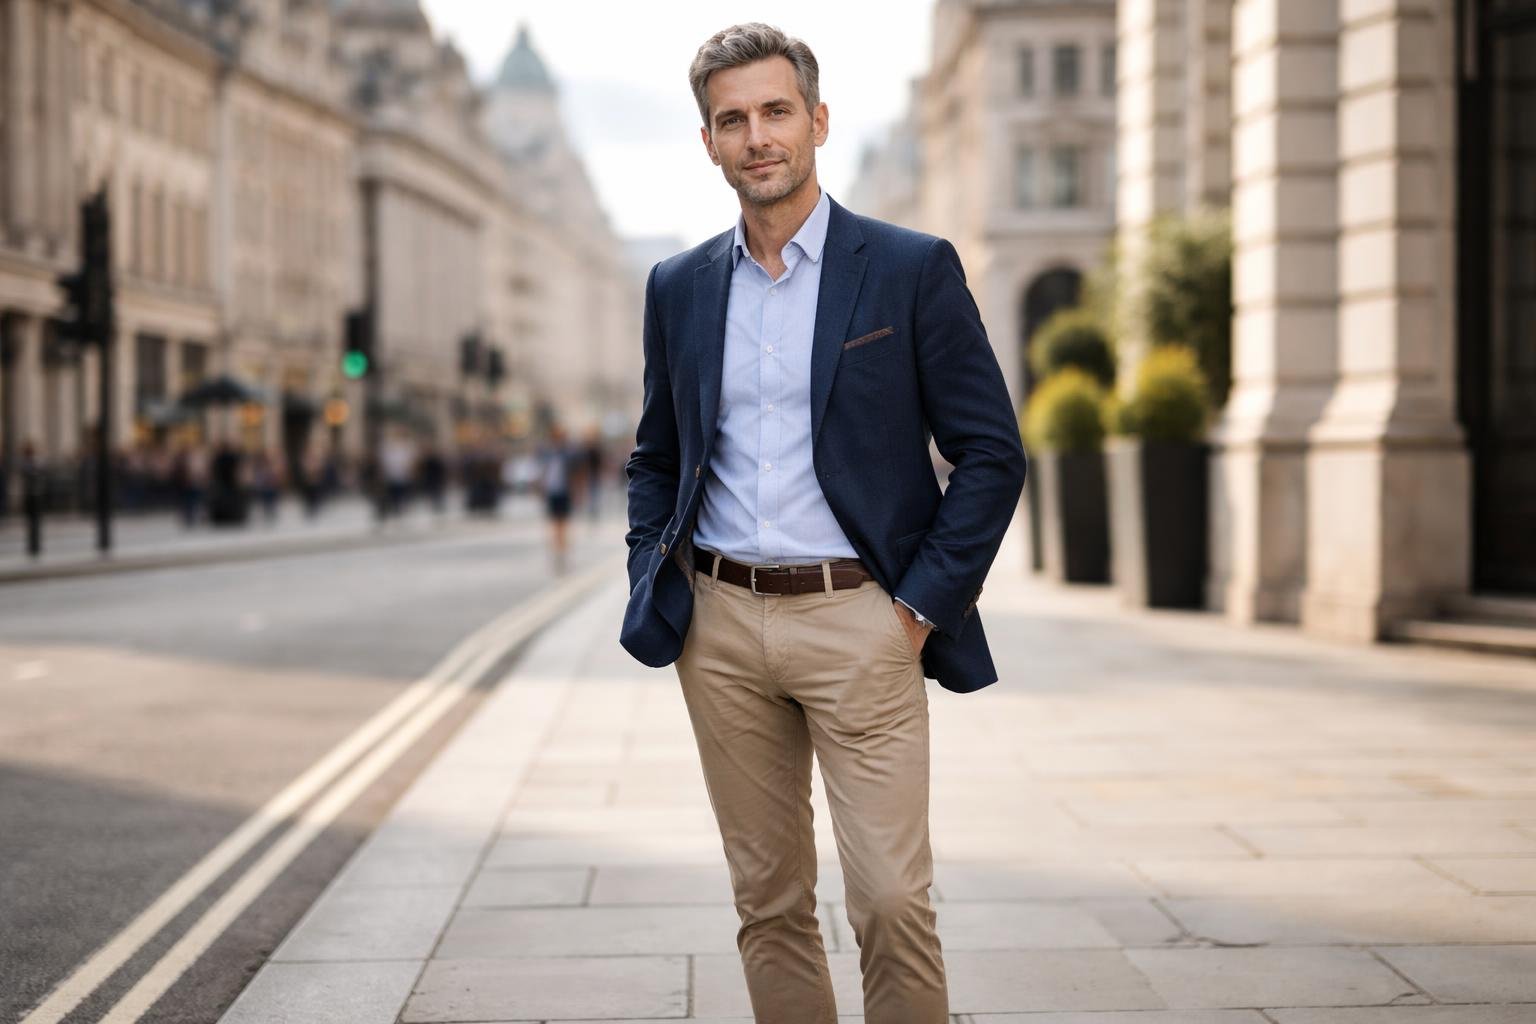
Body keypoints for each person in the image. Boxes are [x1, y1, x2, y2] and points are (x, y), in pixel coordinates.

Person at [620, 24, 1027, 1023]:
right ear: (709, 140)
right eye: (733, 120)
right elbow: (656, 455)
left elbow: (993, 453)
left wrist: (919, 608)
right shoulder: (677, 287)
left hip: (863, 620)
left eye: (775, 112)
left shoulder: (906, 268)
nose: (757, 137)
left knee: (891, 899)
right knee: (768, 905)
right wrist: (654, 573)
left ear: (817, 121)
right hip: (719, 626)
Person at [536, 423, 579, 573]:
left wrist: (576, 492)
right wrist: (541, 489)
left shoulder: (569, 453)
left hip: (564, 491)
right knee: (555, 523)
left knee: (563, 523)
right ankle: (557, 550)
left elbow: (576, 474)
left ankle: (563, 550)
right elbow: (542, 473)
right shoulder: (546, 453)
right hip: (552, 492)